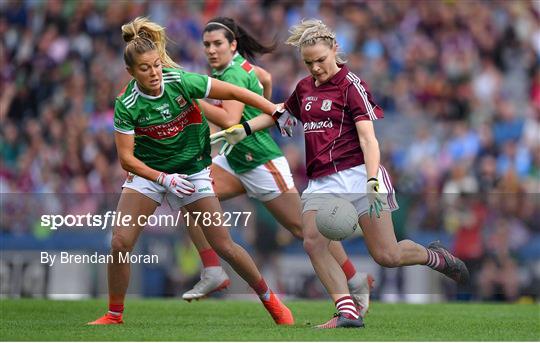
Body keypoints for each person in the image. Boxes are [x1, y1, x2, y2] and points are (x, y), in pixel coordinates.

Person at [210, 19, 470, 329]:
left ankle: (434, 256)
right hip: (322, 181)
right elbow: (282, 113)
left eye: (320, 60)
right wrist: (244, 129)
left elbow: (368, 139)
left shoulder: (351, 86)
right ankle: (347, 312)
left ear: (335, 49)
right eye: (309, 63)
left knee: (387, 255)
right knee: (312, 241)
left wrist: (372, 179)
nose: (316, 68)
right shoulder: (305, 87)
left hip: (360, 175)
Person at [88, 17, 294, 326]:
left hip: (192, 171)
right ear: (131, 72)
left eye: (157, 65)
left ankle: (272, 302)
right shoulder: (127, 104)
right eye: (145, 69)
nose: (155, 73)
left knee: (224, 244)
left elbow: (235, 94)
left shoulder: (180, 80)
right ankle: (114, 315)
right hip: (150, 173)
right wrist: (162, 178)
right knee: (120, 242)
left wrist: (273, 110)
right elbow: (127, 160)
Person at [180, 17, 374, 317]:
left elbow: (230, 120)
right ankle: (212, 269)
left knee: (304, 229)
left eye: (217, 43)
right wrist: (264, 106)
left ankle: (353, 277)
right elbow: (265, 77)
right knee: (191, 194)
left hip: (262, 162)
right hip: (234, 159)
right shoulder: (240, 68)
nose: (211, 50)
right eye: (206, 44)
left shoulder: (232, 74)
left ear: (233, 45)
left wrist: (190, 100)